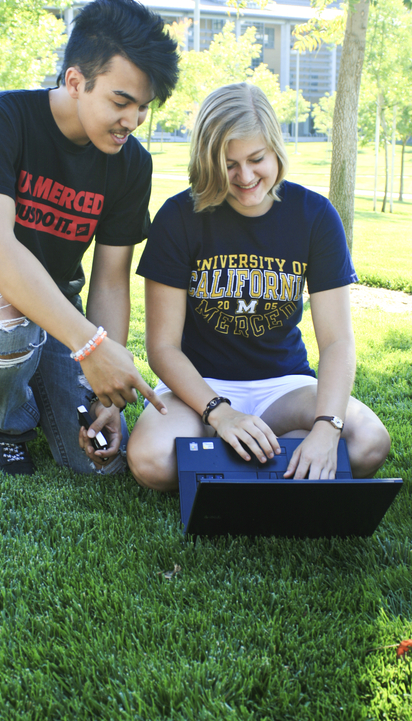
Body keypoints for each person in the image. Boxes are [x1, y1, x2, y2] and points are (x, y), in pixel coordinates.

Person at [0, 0, 179, 477]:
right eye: (121, 102)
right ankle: (0, 427)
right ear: (75, 81)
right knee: (7, 313)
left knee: (99, 462)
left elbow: (109, 281)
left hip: (56, 318)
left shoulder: (131, 163)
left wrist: (109, 397)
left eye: (143, 106)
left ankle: (32, 390)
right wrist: (90, 349)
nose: (132, 121)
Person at [127, 82, 390, 492]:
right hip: (198, 388)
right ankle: (260, 455)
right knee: (152, 460)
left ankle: (232, 454)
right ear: (207, 159)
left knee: (368, 441)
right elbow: (162, 348)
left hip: (284, 386)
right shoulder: (179, 216)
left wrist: (326, 428)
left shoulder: (315, 215)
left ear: (275, 149)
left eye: (256, 159)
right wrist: (219, 412)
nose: (245, 176)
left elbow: (337, 342)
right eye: (228, 164)